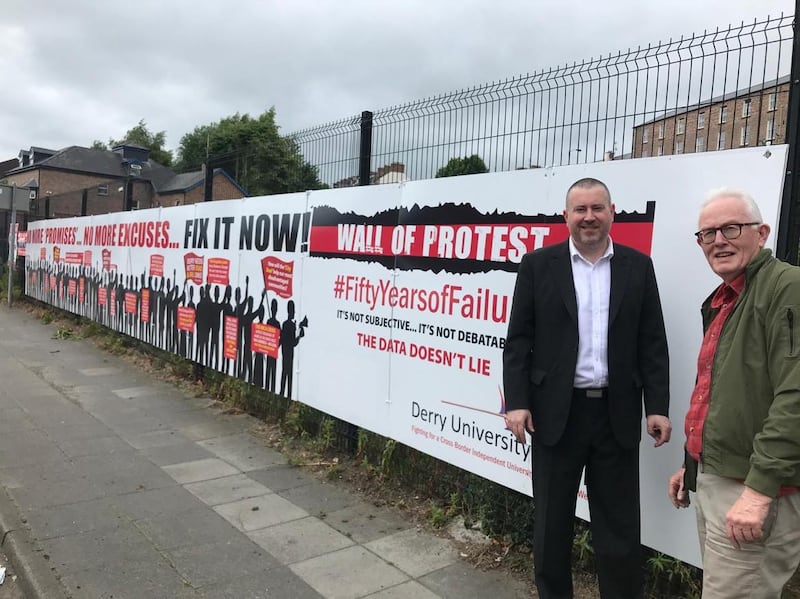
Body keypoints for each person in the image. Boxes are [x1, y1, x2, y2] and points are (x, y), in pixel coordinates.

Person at [503, 177, 671, 599]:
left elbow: (652, 341)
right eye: (580, 209)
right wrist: (518, 402)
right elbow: (518, 340)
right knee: (551, 527)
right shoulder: (538, 265)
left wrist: (658, 405)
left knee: (619, 530)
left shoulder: (638, 266)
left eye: (597, 208)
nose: (589, 217)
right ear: (566, 217)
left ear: (612, 213)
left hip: (616, 413)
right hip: (556, 415)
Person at [668, 189, 800, 598]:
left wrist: (759, 491)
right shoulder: (725, 298)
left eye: (730, 228)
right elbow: (717, 393)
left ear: (761, 233)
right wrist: (693, 464)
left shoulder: (787, 288)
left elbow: (795, 395)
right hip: (718, 479)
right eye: (708, 234)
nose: (718, 241)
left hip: (753, 488)